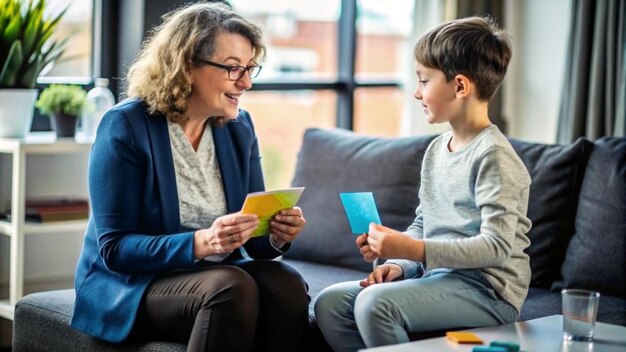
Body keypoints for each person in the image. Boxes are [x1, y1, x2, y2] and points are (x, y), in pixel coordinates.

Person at [71, 3, 310, 351]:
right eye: (233, 69)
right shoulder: (126, 126)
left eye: (249, 68)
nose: (245, 83)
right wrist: (202, 242)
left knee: (285, 283)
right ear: (186, 67)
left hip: (211, 273)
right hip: (133, 283)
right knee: (231, 285)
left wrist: (274, 234)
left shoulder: (240, 127)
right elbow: (115, 248)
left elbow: (253, 242)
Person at [314, 16, 532, 351]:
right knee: (330, 303)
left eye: (424, 80)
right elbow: (423, 222)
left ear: (459, 87)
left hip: (487, 291)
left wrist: (411, 249)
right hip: (436, 277)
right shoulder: (436, 150)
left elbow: (496, 247)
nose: (417, 92)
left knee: (376, 305)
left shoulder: (494, 157)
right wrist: (399, 263)